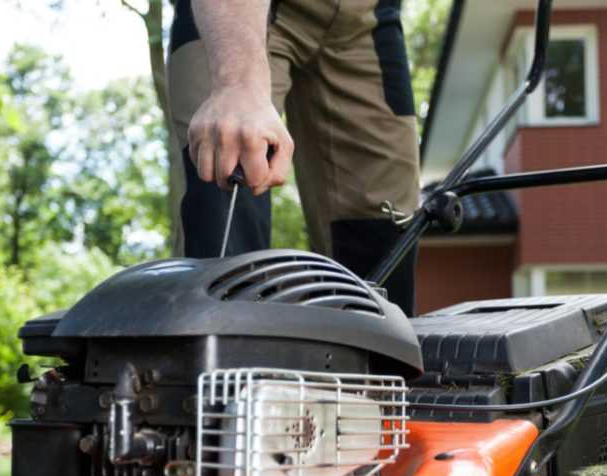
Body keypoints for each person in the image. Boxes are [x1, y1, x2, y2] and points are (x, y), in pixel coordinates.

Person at [167, 0, 421, 315]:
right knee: (226, 191)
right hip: (240, 14)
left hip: (367, 18)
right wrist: (238, 84)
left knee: (382, 238)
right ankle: (218, 357)